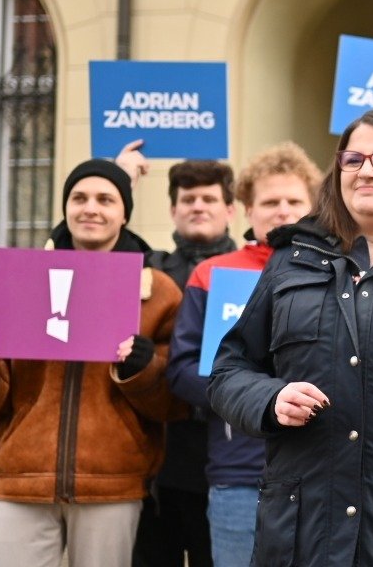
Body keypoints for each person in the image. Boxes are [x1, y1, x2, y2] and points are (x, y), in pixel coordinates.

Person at [208, 110, 373, 566]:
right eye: (353, 159)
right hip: (303, 530)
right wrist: (270, 399)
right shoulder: (291, 259)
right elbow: (229, 369)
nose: (366, 171)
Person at [0, 159, 187, 567]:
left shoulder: (159, 291)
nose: (90, 208)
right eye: (79, 198)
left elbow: (173, 400)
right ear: (66, 208)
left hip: (112, 481)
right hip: (22, 478)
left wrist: (143, 371)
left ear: (124, 213)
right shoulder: (20, 280)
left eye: (105, 199)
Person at [165, 142, 321, 567]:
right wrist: (253, 395)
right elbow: (181, 369)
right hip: (238, 472)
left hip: (317, 469)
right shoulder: (212, 273)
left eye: (294, 201)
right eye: (270, 202)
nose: (283, 211)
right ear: (247, 209)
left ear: (313, 207)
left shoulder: (337, 271)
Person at [136, 159, 239, 567]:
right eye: (188, 199)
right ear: (173, 210)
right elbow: (96, 247)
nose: (198, 206)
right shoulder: (151, 273)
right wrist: (124, 178)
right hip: (159, 458)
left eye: (209, 199)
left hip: (226, 456)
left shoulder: (254, 270)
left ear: (230, 210)